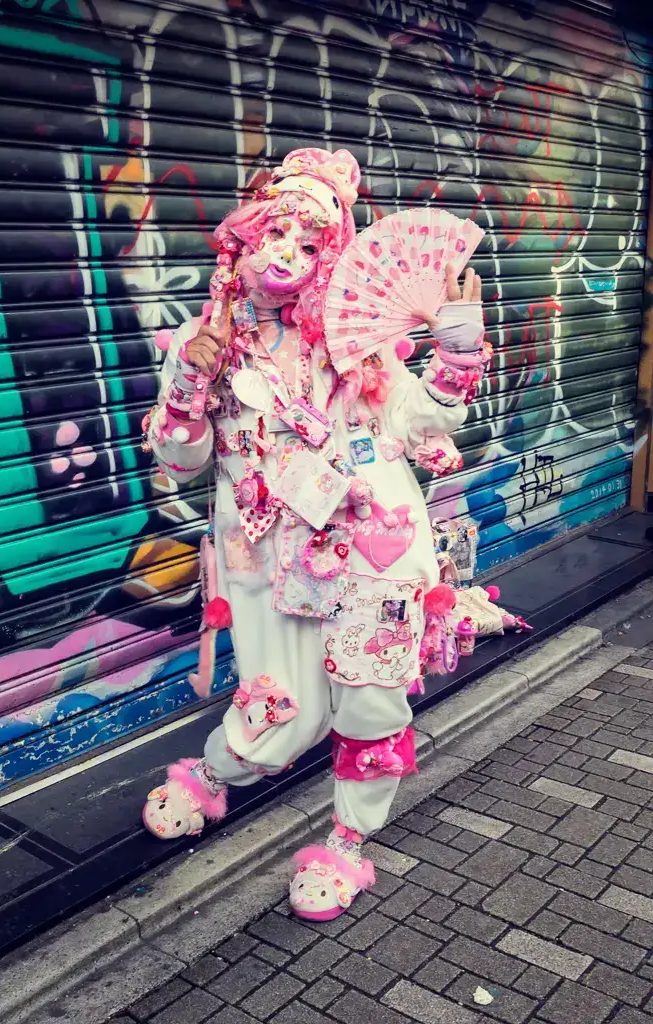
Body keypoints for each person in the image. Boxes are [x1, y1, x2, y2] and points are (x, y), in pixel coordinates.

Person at [140, 147, 489, 921]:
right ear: (244, 239)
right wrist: (194, 383)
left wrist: (458, 349)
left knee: (367, 703)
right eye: (276, 233)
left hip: (377, 547)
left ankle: (347, 844)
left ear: (330, 255)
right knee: (280, 708)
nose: (286, 255)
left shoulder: (357, 344)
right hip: (267, 556)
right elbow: (179, 458)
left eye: (308, 242)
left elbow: (425, 419)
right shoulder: (207, 343)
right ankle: (210, 776)